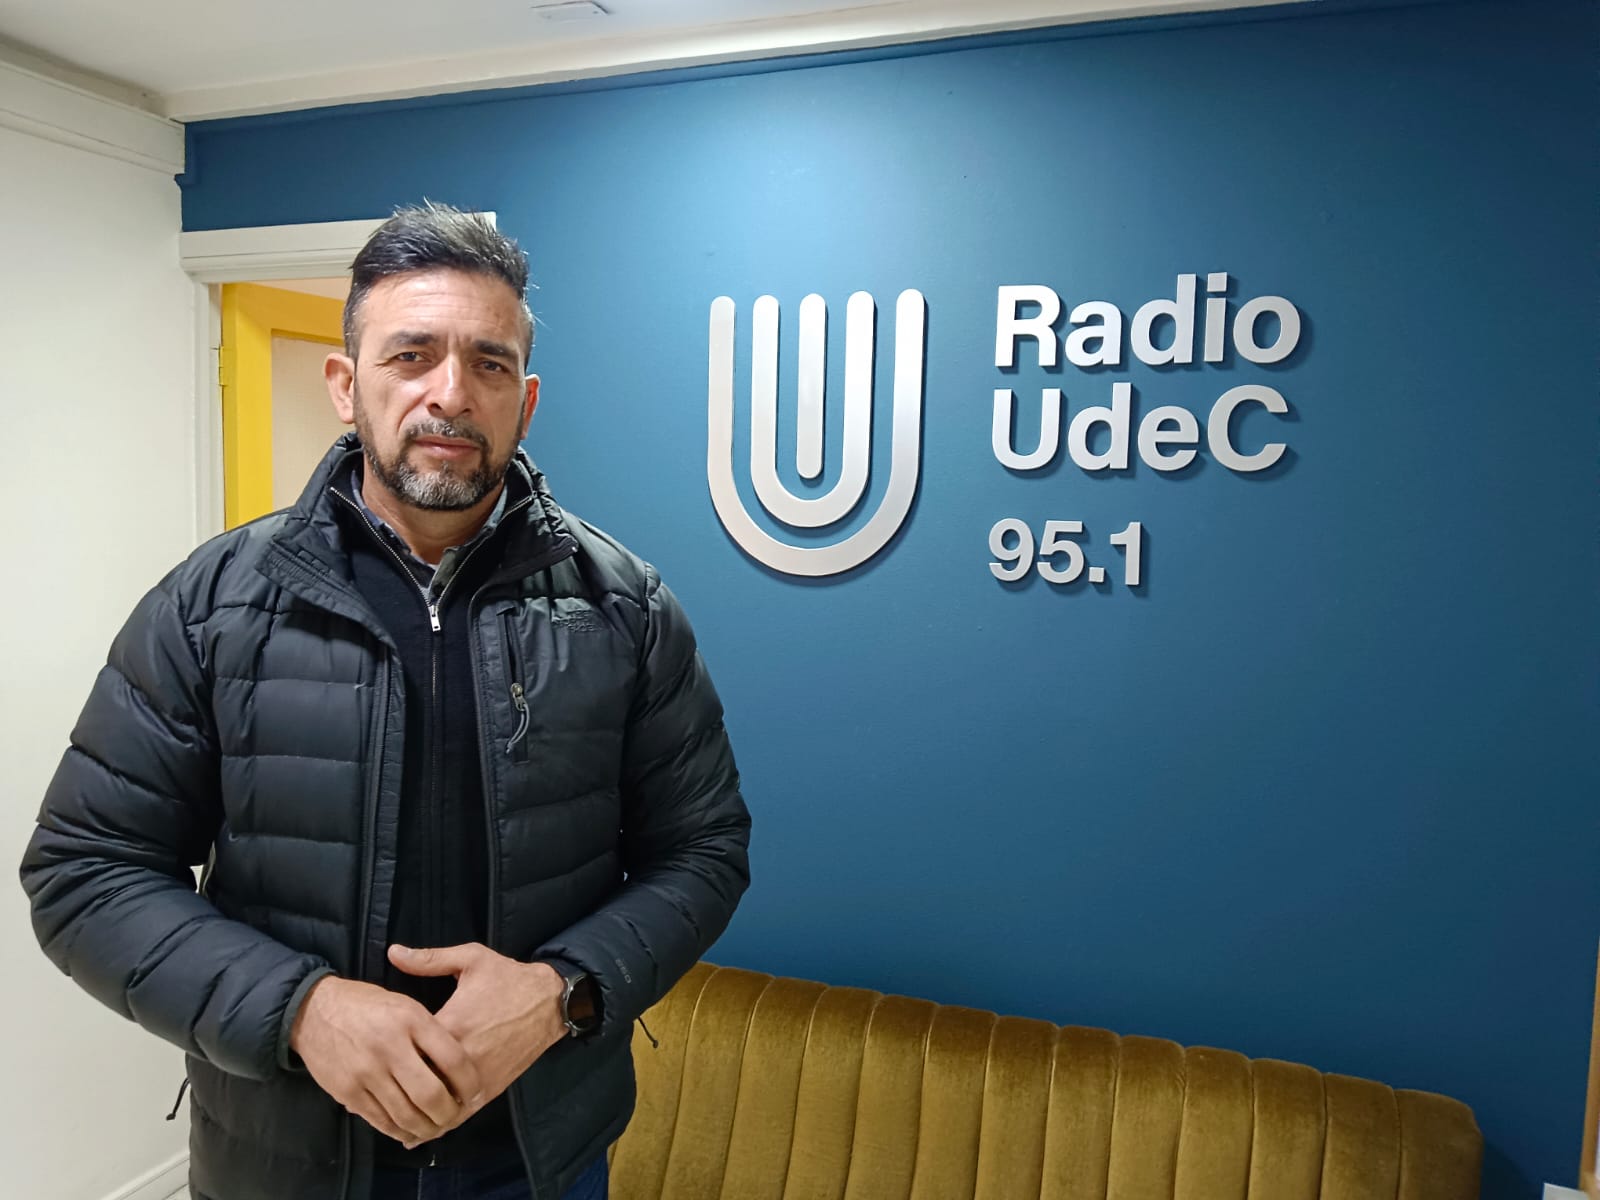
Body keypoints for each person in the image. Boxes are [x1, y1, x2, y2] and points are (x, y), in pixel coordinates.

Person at [19, 203, 752, 1200]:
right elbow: (84, 871)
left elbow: (704, 851)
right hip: (284, 1163)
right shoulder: (209, 606)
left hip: (537, 1158)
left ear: (526, 401)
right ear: (345, 385)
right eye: (411, 355)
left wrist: (561, 992)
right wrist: (300, 1009)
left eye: (489, 363)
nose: (450, 392)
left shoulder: (623, 608)